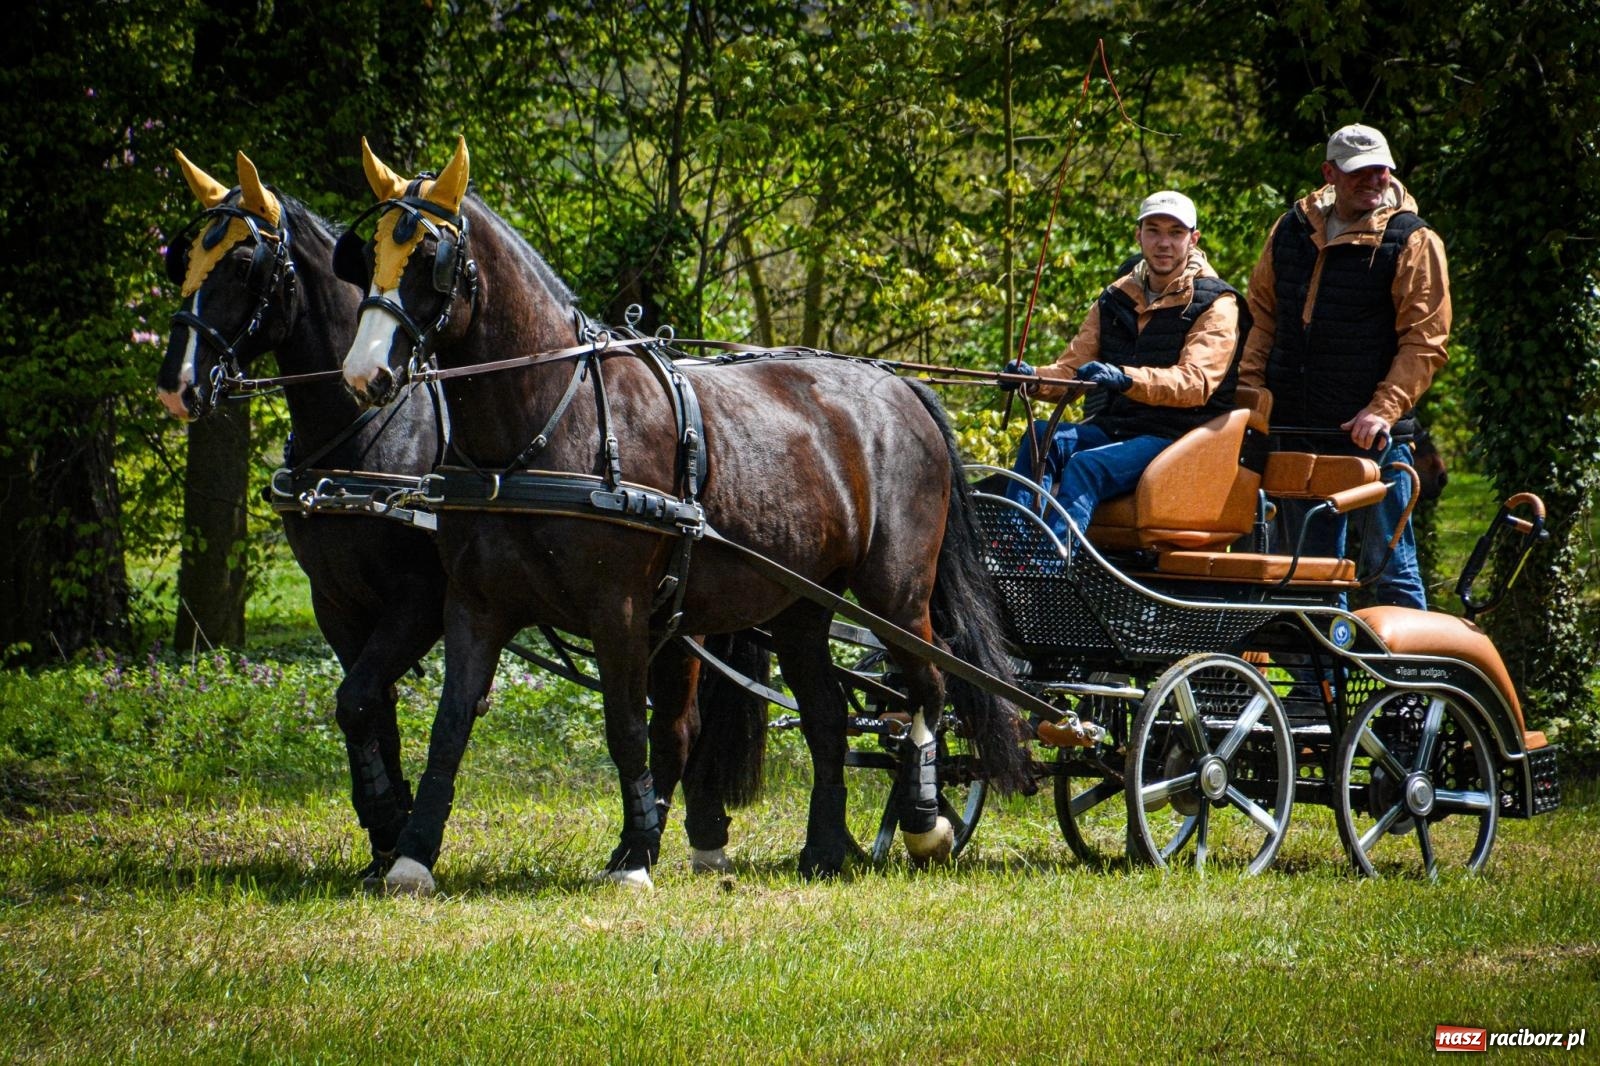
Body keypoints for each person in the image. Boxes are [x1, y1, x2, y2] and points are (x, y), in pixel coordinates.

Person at [1241, 123, 1451, 610]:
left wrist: (1383, 410)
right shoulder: (1290, 229)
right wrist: (1251, 398)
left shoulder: (1413, 240)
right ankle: (1322, 686)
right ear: (1330, 173)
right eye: (1360, 172)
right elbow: (1262, 320)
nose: (1374, 180)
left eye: (1382, 169)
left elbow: (1425, 341)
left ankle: (1410, 685)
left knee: (1391, 568)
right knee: (1308, 575)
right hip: (1297, 431)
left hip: (1374, 438)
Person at [1002, 190, 1243, 543]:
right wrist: (1033, 379)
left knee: (1087, 466)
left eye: (1175, 233)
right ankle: (1011, 551)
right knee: (1042, 436)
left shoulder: (1216, 304)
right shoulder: (1115, 298)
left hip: (1178, 439)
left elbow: (1196, 382)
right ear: (1138, 235)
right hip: (1116, 428)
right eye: (1154, 231)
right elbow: (1071, 370)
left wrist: (1125, 378)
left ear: (1193, 239)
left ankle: (1048, 566)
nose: (1164, 243)